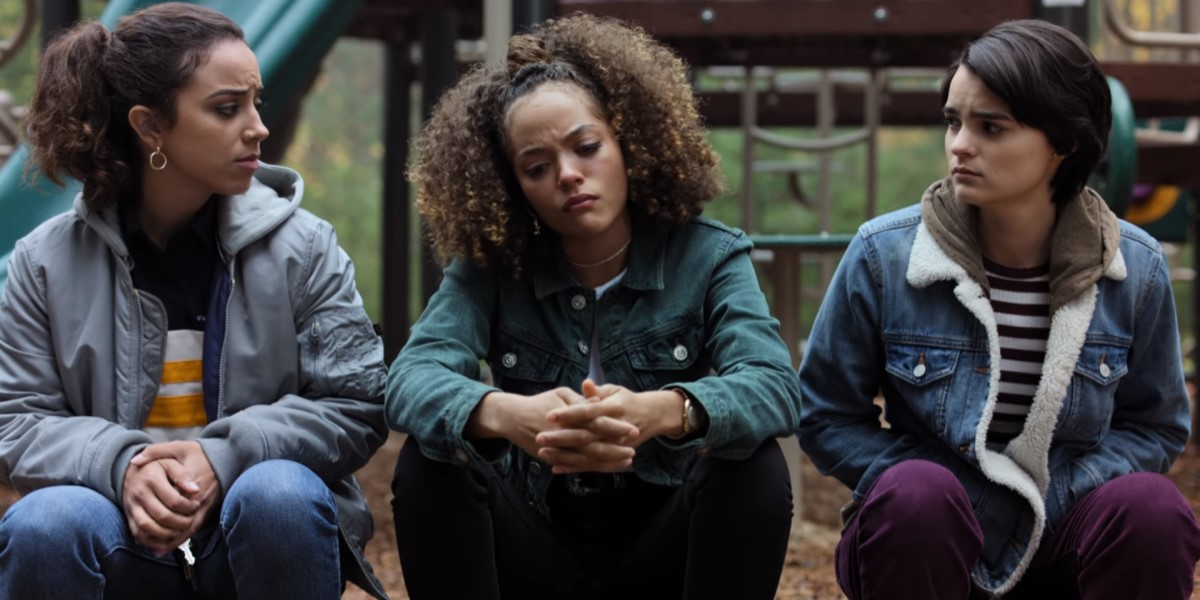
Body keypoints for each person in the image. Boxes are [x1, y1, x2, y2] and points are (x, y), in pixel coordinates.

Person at [386, 13, 802, 600]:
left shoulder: (708, 257)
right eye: (536, 167)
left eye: (586, 147)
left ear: (628, 141)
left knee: (754, 464)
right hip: (535, 539)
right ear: (512, 186)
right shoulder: (493, 269)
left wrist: (663, 411)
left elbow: (774, 385)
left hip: (663, 540)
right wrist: (507, 416)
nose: (569, 176)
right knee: (430, 463)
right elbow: (410, 378)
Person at [797, 18, 1200, 600]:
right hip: (933, 539)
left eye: (991, 127)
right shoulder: (884, 255)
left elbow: (1156, 425)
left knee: (1152, 509)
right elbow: (825, 414)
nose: (960, 145)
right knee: (915, 496)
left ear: (1063, 142)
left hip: (1068, 532)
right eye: (954, 121)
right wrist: (958, 492)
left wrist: (1055, 497)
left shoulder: (1135, 267)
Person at [0, 4, 388, 599]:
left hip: (252, 533)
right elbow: (15, 418)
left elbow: (356, 402)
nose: (257, 125)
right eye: (227, 108)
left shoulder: (305, 247)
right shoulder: (42, 262)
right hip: (114, 533)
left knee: (279, 493)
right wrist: (123, 466)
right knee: (46, 523)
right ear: (150, 126)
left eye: (255, 102)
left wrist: (225, 456)